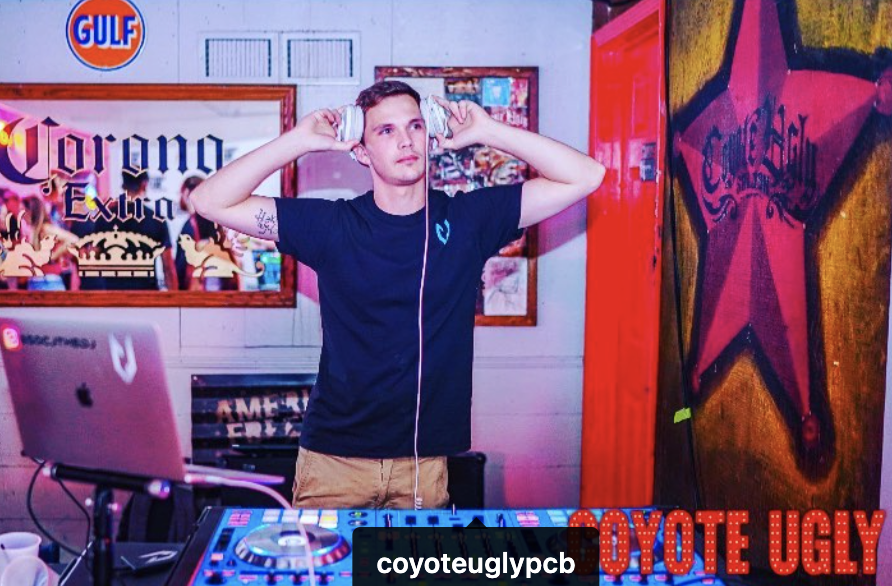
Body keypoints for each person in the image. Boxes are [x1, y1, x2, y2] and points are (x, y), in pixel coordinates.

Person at [190, 81, 605, 509]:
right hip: (334, 462)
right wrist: (297, 141)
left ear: (432, 134)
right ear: (361, 150)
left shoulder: (468, 220)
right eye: (385, 131)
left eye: (415, 126)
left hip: (423, 467)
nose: (405, 140)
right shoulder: (333, 226)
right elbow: (210, 200)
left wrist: (489, 130)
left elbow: (586, 175)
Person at [79, 171, 178, 291]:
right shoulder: (156, 220)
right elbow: (168, 267)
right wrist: (174, 300)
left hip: (113, 295)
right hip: (147, 296)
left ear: (123, 186)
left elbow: (94, 259)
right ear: (144, 185)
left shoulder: (105, 218)